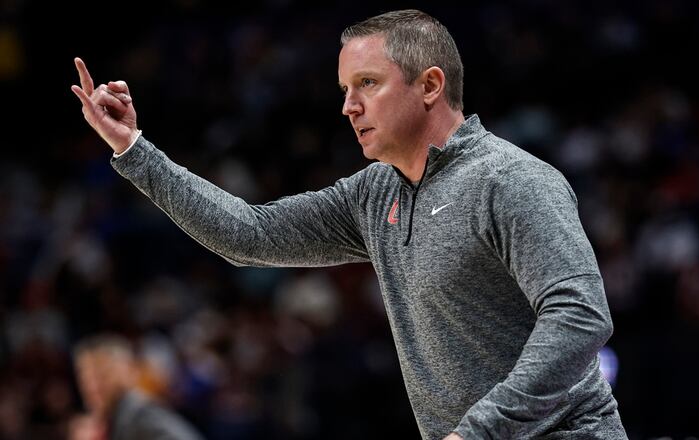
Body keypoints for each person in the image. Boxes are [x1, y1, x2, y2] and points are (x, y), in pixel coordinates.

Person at [71, 9, 627, 439]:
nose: (348, 107)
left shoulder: (511, 180)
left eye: (367, 83)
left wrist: (479, 431)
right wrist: (133, 148)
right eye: (345, 89)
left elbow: (579, 316)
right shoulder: (373, 194)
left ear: (430, 85)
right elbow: (248, 235)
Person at [72, 334, 204, 440]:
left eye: (103, 375)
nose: (92, 386)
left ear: (130, 371)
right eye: (85, 377)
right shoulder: (118, 420)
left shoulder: (142, 417)